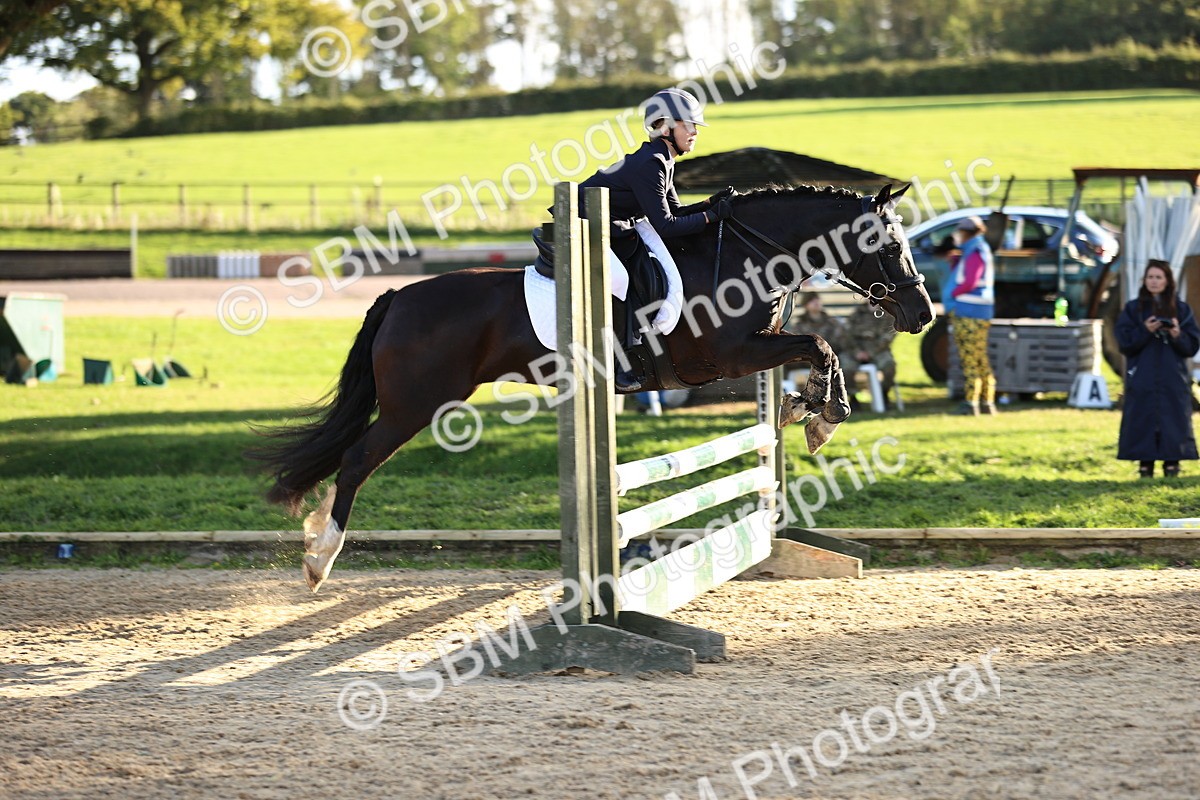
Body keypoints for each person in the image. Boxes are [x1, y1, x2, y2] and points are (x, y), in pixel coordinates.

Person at [572, 88, 734, 391]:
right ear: (667, 125)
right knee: (619, 279)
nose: (695, 132)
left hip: (611, 224)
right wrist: (712, 217)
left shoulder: (663, 159)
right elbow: (667, 226)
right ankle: (616, 362)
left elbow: (675, 210)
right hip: (581, 224)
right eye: (689, 124)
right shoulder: (651, 162)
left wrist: (710, 204)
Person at [1116, 260, 1200, 477]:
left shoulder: (1181, 309)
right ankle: (1145, 463)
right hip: (1142, 374)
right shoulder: (1133, 309)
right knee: (1143, 415)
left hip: (1172, 375)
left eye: (1158, 277)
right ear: (1144, 280)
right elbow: (1125, 344)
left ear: (1167, 281)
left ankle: (1173, 461)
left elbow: (1191, 346)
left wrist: (1176, 334)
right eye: (1150, 277)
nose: (1154, 282)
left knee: (1174, 416)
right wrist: (1145, 330)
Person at [946, 215, 996, 415]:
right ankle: (987, 402)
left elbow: (970, 282)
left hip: (969, 311)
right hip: (981, 311)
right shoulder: (978, 250)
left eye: (960, 232)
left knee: (969, 358)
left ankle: (971, 402)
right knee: (980, 357)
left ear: (966, 233)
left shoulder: (975, 251)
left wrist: (954, 293)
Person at [844, 302, 897, 409]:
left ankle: (884, 393)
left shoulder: (887, 314)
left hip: (879, 351)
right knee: (845, 366)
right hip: (857, 351)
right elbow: (847, 334)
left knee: (889, 366)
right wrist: (857, 351)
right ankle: (853, 398)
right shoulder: (857, 314)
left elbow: (888, 336)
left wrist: (871, 352)